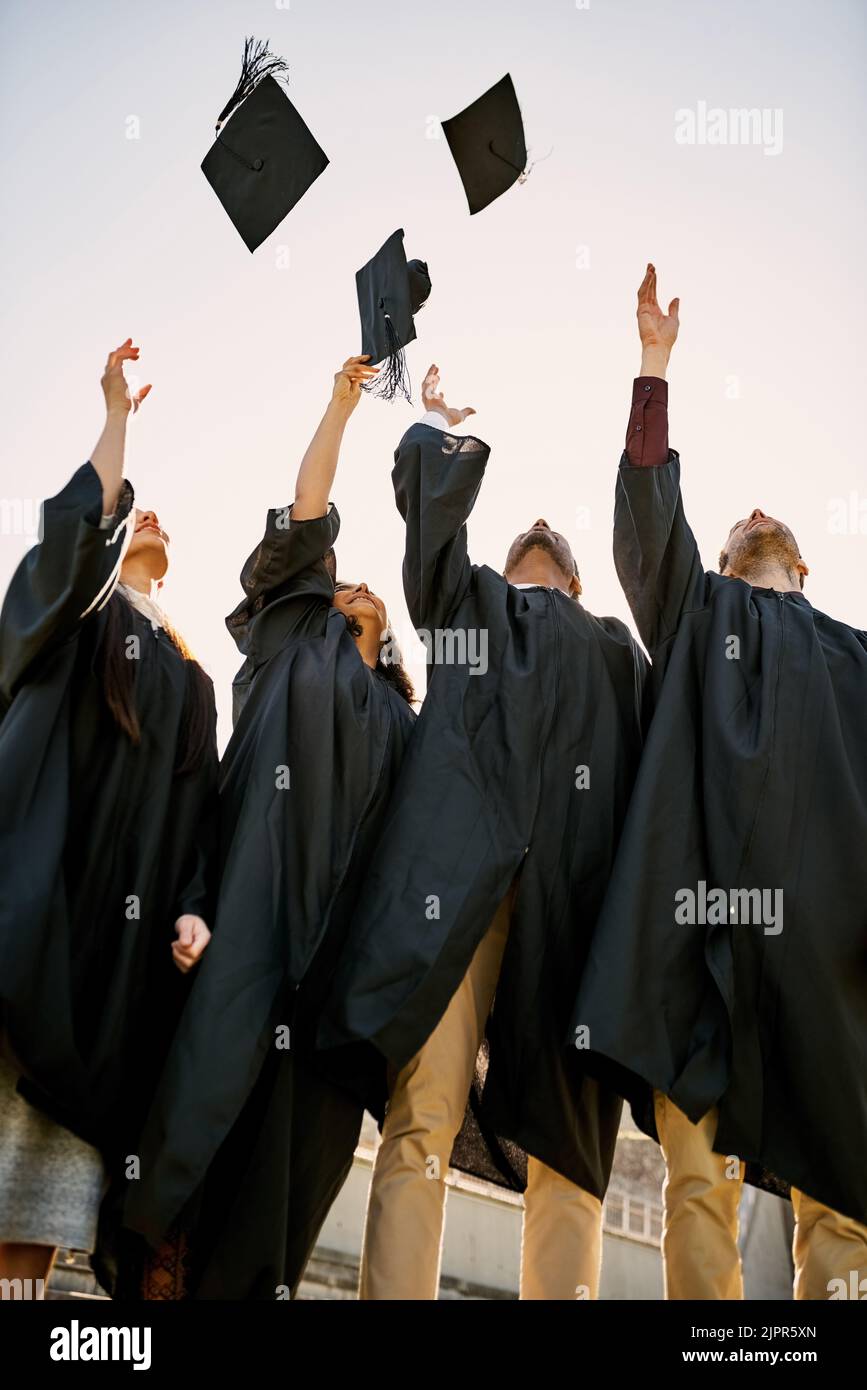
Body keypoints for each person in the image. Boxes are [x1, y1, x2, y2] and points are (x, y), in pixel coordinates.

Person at [570, 265, 867, 1300]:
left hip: (829, 944)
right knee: (697, 1175)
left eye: (764, 520)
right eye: (738, 523)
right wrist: (654, 366)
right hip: (702, 929)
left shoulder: (856, 656)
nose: (751, 515)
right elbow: (651, 535)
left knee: (845, 1181)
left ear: (805, 564)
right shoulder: (703, 617)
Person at [320, 364, 648, 1300]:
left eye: (551, 544)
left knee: (569, 1138)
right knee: (423, 1107)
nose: (537, 532)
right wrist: (431, 426)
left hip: (573, 897)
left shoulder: (616, 650)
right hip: (456, 887)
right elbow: (429, 542)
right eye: (521, 542)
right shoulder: (471, 607)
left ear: (579, 581)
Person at [124, 355, 417, 1300]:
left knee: (296, 1157)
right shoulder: (296, 638)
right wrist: (339, 406)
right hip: (254, 907)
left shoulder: (408, 724)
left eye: (369, 592)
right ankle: (149, 1273)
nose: (357, 587)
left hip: (338, 964)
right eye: (342, 584)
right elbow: (307, 509)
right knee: (204, 1105)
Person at [0, 341, 218, 1298]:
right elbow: (68, 543)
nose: (151, 518)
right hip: (29, 919)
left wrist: (195, 907)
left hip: (108, 968)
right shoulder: (79, 622)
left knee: (43, 1183)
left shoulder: (190, 676)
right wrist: (118, 420)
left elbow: (198, 817)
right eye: (134, 517)